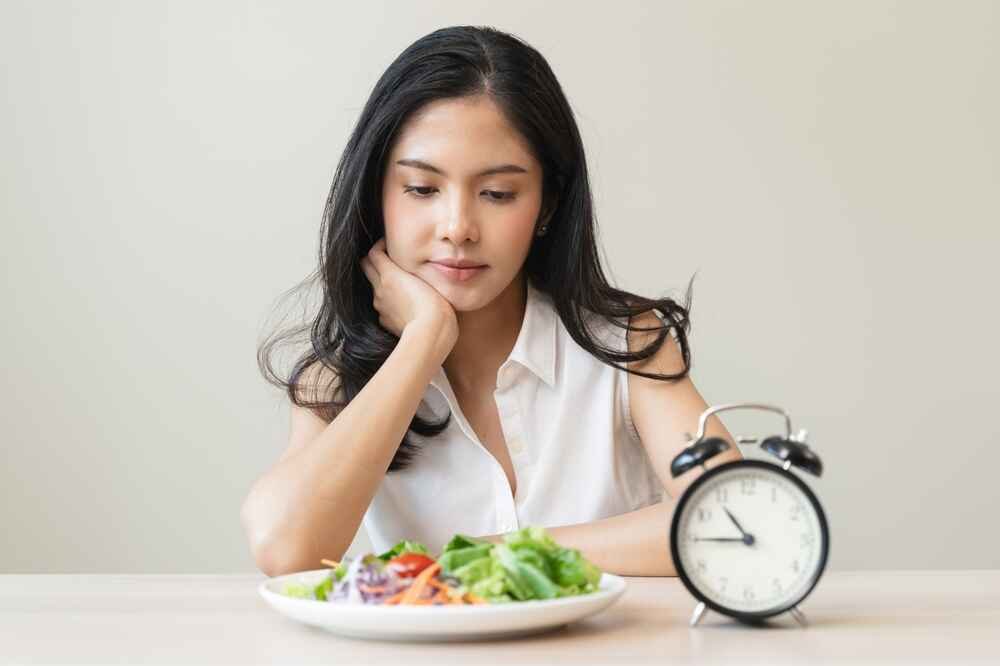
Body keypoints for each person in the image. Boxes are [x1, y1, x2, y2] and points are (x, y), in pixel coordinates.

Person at [242, 25, 741, 578]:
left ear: (547, 204)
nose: (458, 228)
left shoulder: (628, 346)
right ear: (377, 196)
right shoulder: (337, 378)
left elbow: (737, 520)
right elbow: (284, 550)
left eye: (498, 194)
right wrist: (423, 341)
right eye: (422, 189)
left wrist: (494, 552)